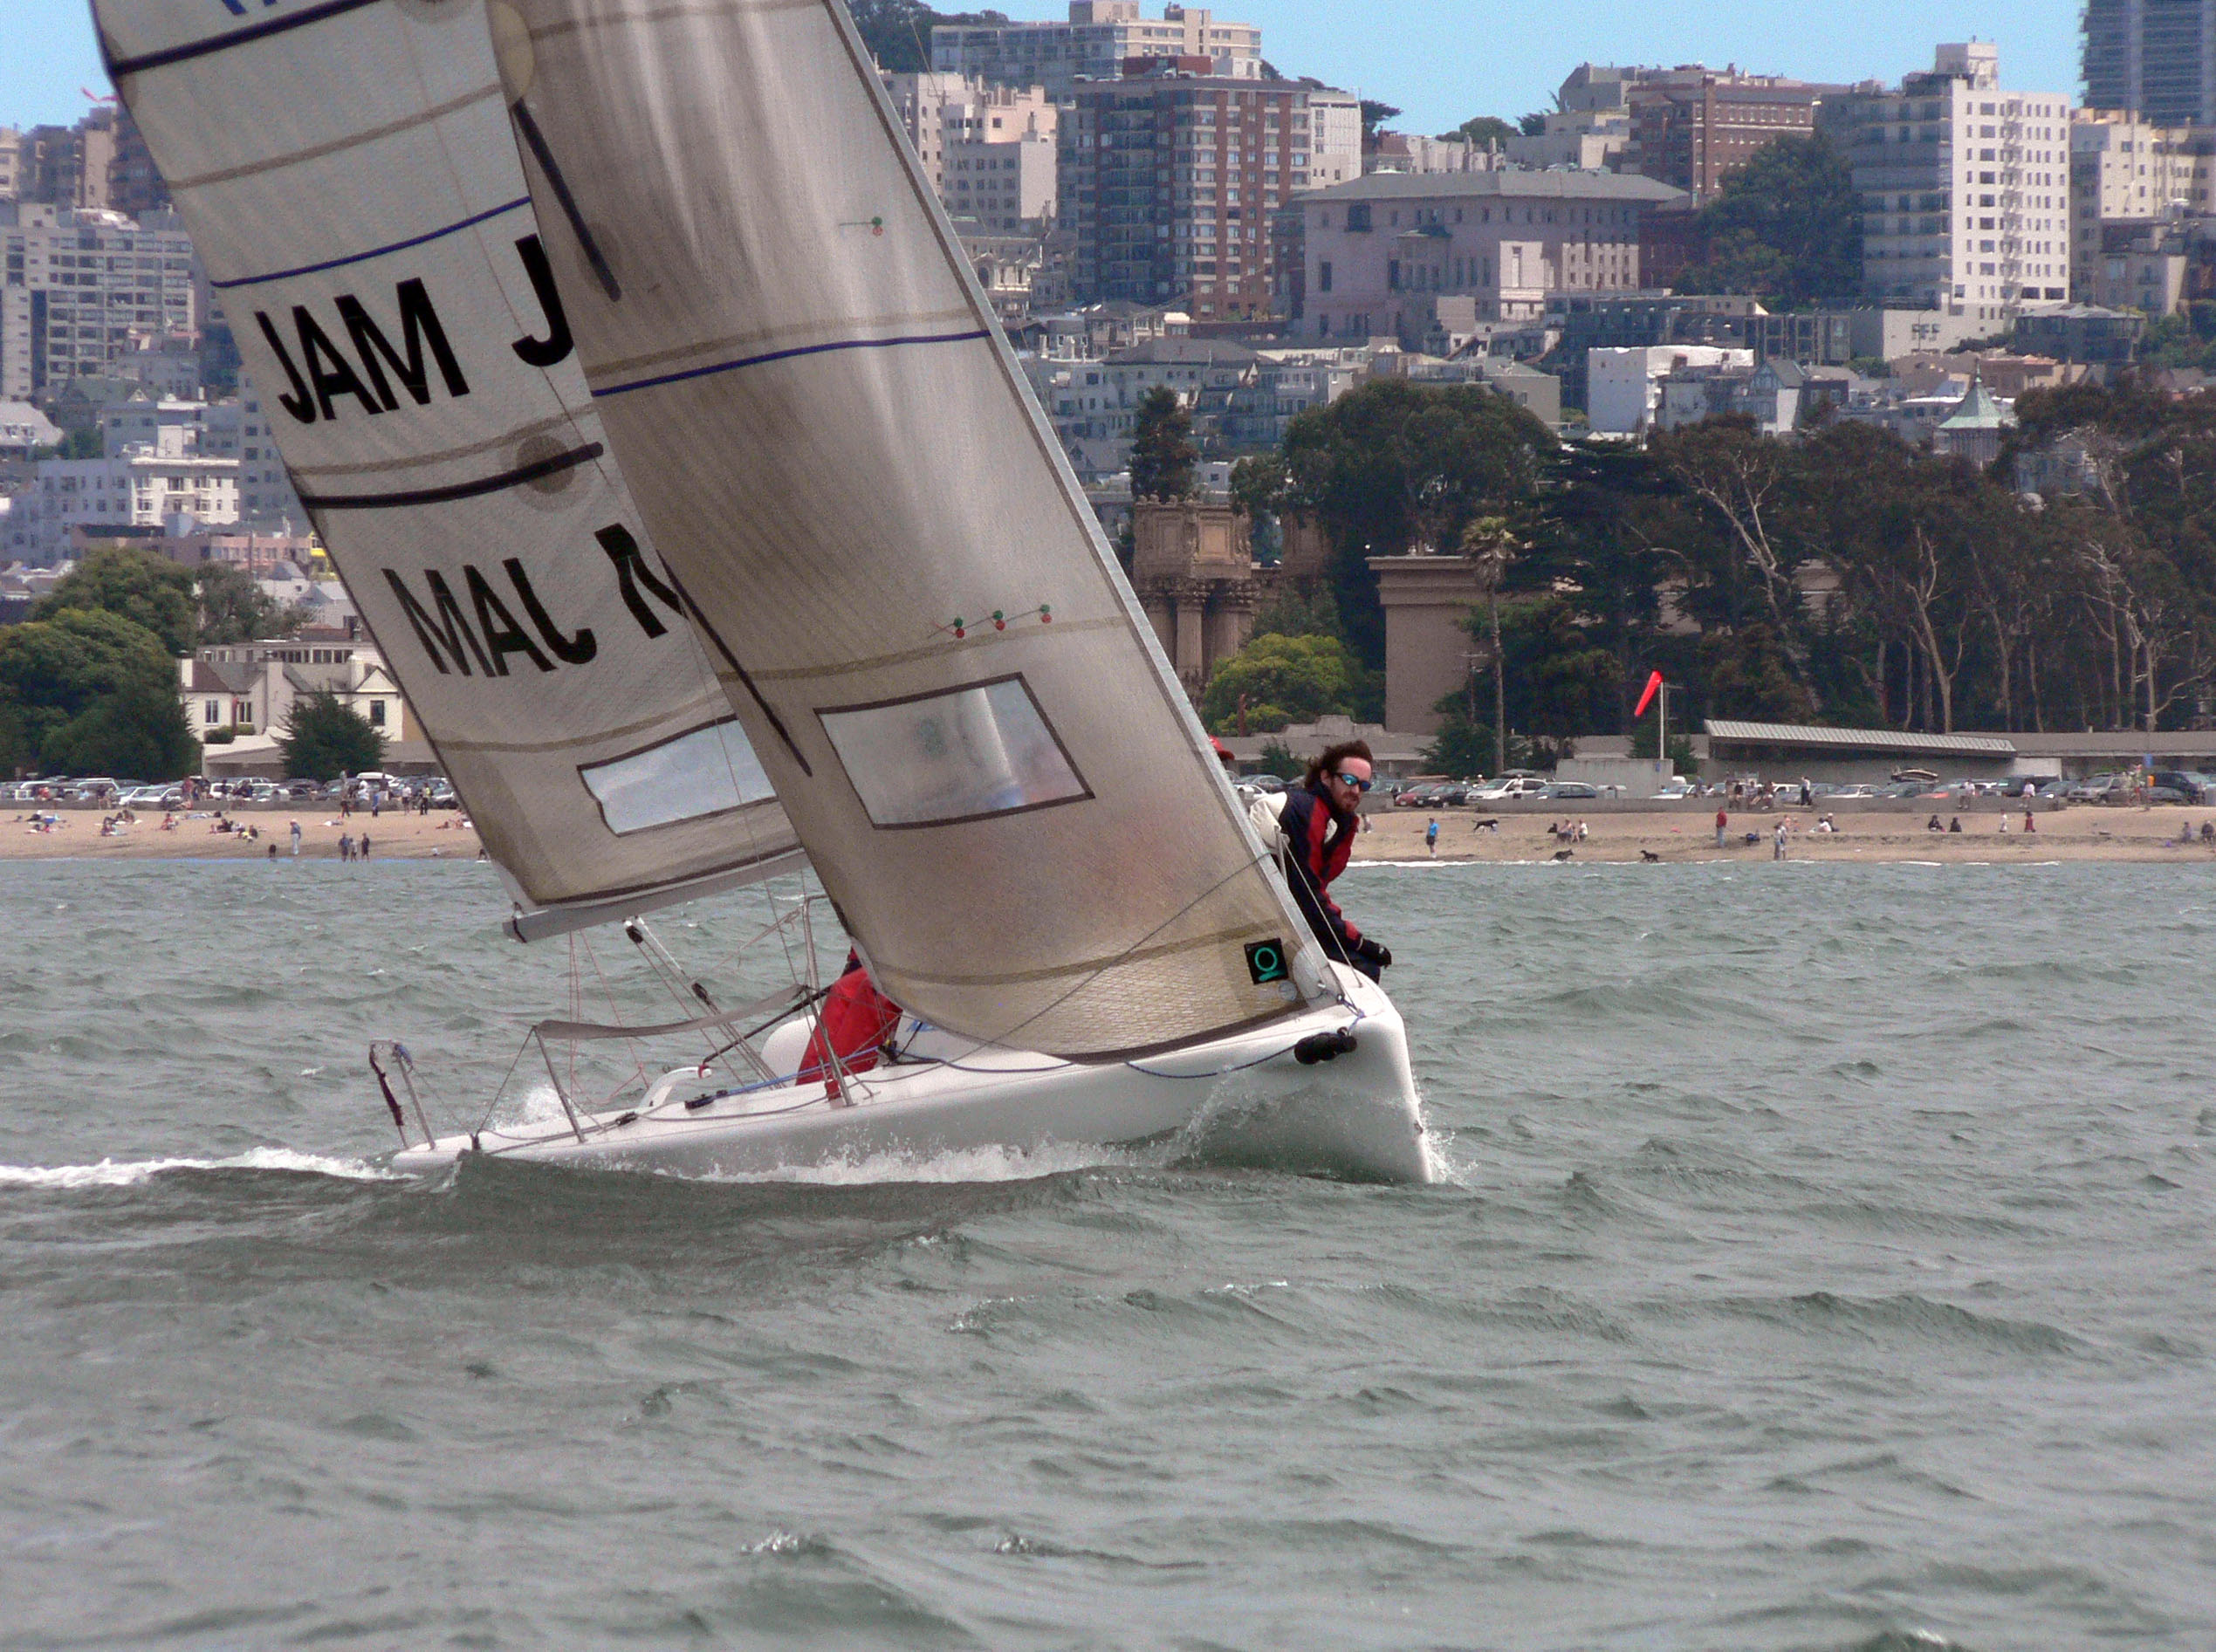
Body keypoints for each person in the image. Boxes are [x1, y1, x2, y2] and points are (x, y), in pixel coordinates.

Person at [1250, 740, 1392, 982]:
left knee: (1363, 964)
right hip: (1261, 920)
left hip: (1279, 919)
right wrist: (1358, 942)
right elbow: (1306, 893)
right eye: (1349, 780)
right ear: (1326, 777)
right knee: (1365, 967)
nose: (1356, 790)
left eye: (1363, 785)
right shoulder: (1306, 811)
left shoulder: (1335, 820)